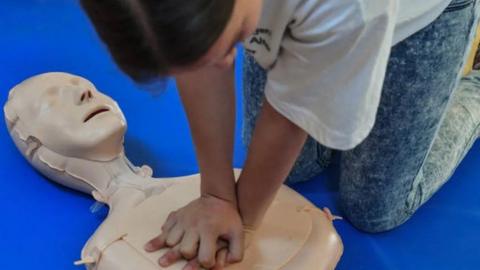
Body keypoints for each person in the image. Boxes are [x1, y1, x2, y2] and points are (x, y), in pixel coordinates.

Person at [80, 0, 480, 269]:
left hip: (424, 13)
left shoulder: (350, 8)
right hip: (304, 18)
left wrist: (246, 220)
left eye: (229, 45)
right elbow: (195, 55)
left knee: (375, 209)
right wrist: (217, 195)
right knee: (293, 169)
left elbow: (292, 114)